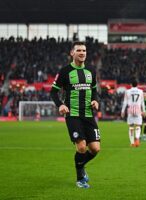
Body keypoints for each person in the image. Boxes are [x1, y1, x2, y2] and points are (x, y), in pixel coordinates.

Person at [50, 41, 100, 189]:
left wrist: (95, 101)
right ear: (72, 53)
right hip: (73, 115)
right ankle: (80, 178)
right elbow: (53, 92)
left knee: (96, 149)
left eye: (84, 50)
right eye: (78, 50)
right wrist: (61, 105)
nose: (82, 53)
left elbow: (95, 90)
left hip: (88, 114)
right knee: (82, 147)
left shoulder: (91, 71)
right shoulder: (65, 71)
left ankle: (80, 165)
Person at [121, 80, 146, 147]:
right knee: (138, 125)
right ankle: (137, 138)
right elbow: (142, 102)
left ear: (131, 84)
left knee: (131, 126)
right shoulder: (140, 91)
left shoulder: (127, 91)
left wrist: (122, 111)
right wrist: (144, 111)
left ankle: (132, 142)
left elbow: (125, 102)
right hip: (138, 109)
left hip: (130, 109)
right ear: (137, 84)